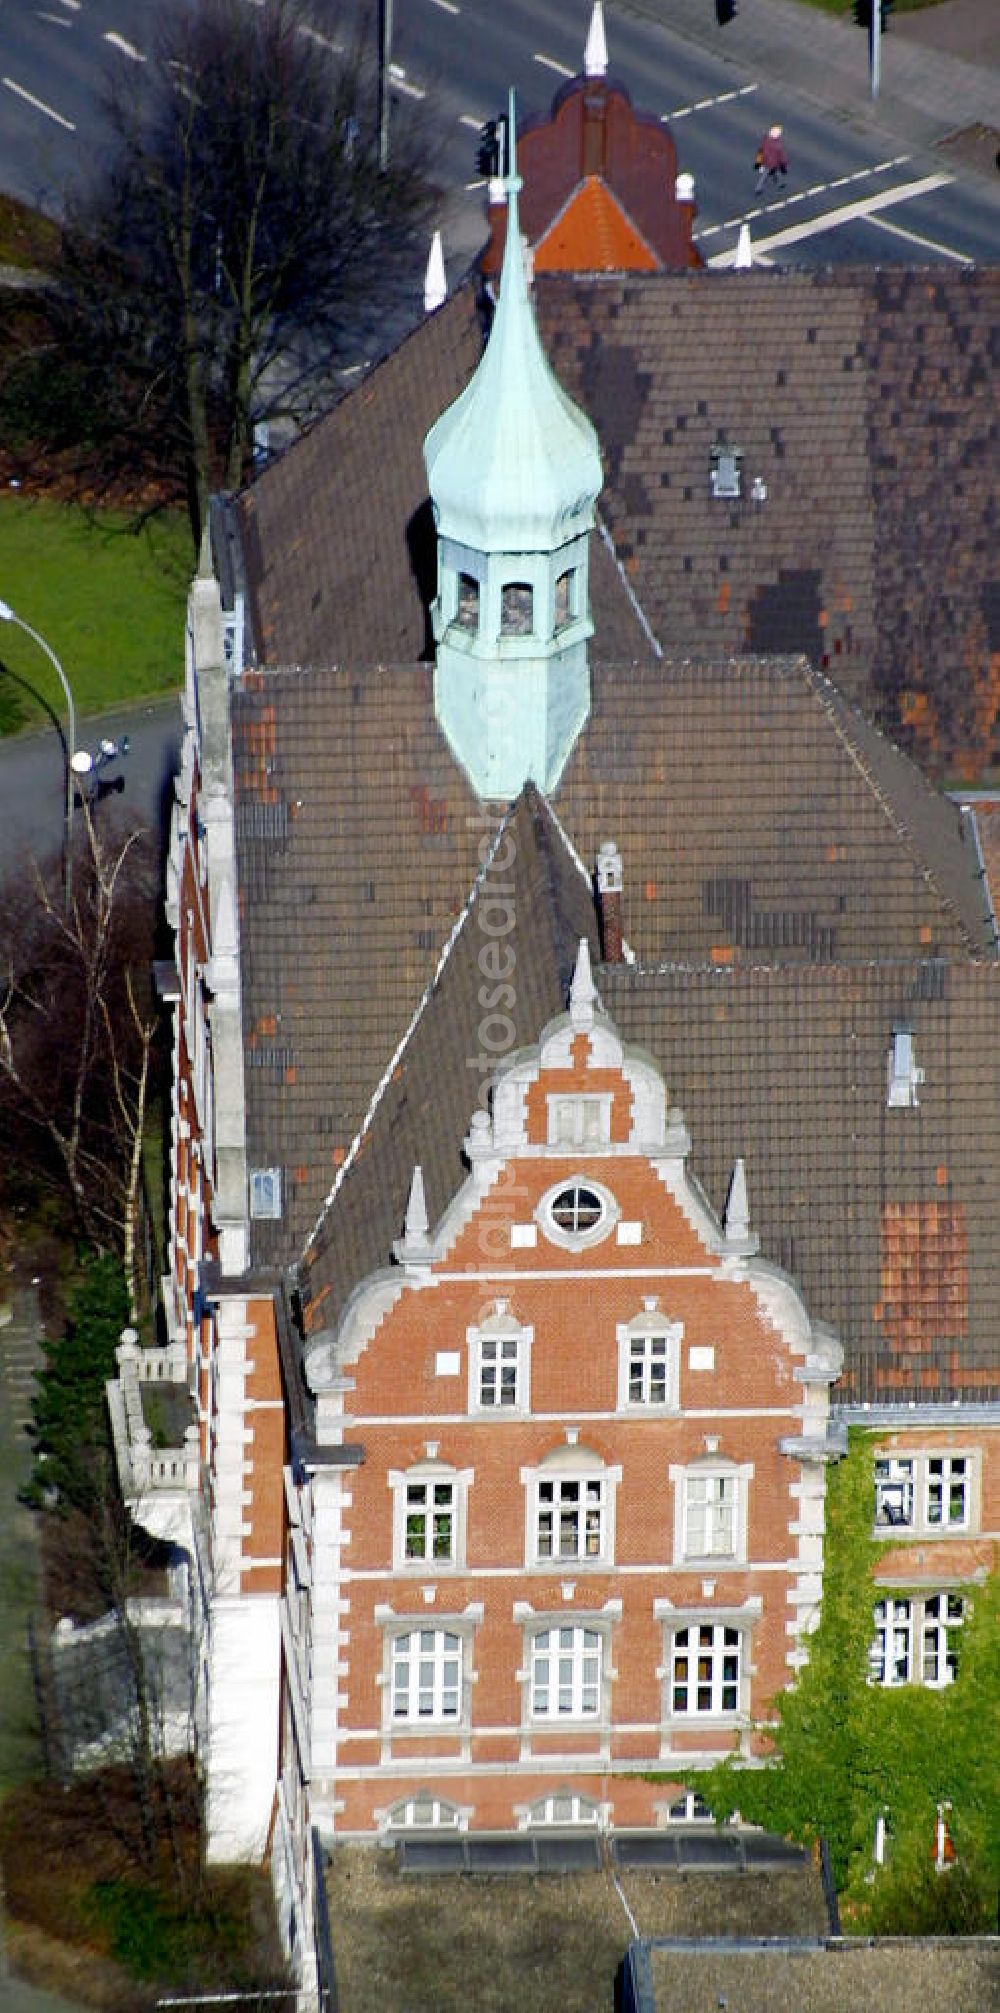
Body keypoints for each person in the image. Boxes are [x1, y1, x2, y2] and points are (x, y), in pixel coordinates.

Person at [754, 125, 789, 193]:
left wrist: (758, 162)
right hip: (772, 163)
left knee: (773, 174)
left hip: (768, 162)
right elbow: (781, 155)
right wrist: (784, 164)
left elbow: (761, 151)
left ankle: (779, 184)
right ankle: (758, 188)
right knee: (766, 175)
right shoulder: (777, 144)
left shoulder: (766, 140)